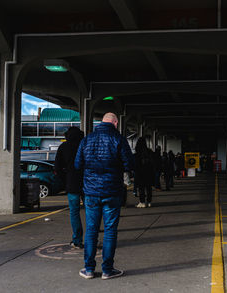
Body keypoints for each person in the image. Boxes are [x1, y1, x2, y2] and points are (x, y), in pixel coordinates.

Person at [75, 112, 134, 280]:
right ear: (115, 123)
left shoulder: (87, 139)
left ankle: (88, 269)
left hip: (91, 192)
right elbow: (130, 164)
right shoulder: (119, 139)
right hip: (112, 191)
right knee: (110, 230)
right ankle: (107, 270)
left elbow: (78, 164)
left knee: (91, 230)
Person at [55, 126, 84, 249]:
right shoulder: (84, 145)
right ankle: (92, 238)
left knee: (74, 212)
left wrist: (65, 180)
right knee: (91, 212)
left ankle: (77, 240)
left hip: (71, 183)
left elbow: (57, 168)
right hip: (87, 183)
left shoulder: (63, 147)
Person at [134, 137, 154, 208]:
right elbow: (152, 163)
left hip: (140, 173)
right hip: (149, 173)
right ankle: (149, 202)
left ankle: (142, 202)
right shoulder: (150, 152)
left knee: (141, 188)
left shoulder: (137, 152)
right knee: (149, 188)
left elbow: (135, 164)